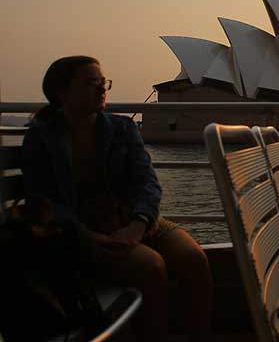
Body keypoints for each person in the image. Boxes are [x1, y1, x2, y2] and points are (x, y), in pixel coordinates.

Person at [21, 56, 213, 342]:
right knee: (151, 267)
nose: (101, 89)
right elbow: (44, 201)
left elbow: (147, 182)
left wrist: (140, 222)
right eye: (90, 83)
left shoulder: (121, 129)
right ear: (61, 91)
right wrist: (88, 236)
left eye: (102, 82)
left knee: (194, 259)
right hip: (84, 231)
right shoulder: (42, 137)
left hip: (137, 219)